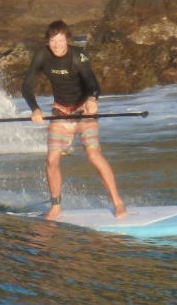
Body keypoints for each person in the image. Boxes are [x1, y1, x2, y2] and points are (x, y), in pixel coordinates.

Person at [21, 20, 126, 220]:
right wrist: (34, 109)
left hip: (83, 111)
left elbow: (93, 83)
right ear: (48, 41)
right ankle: (56, 206)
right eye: (53, 41)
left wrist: (92, 99)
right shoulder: (42, 55)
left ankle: (118, 202)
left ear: (67, 40)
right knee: (51, 160)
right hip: (60, 111)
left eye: (60, 40)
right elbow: (27, 86)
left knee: (94, 156)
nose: (57, 45)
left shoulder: (78, 56)